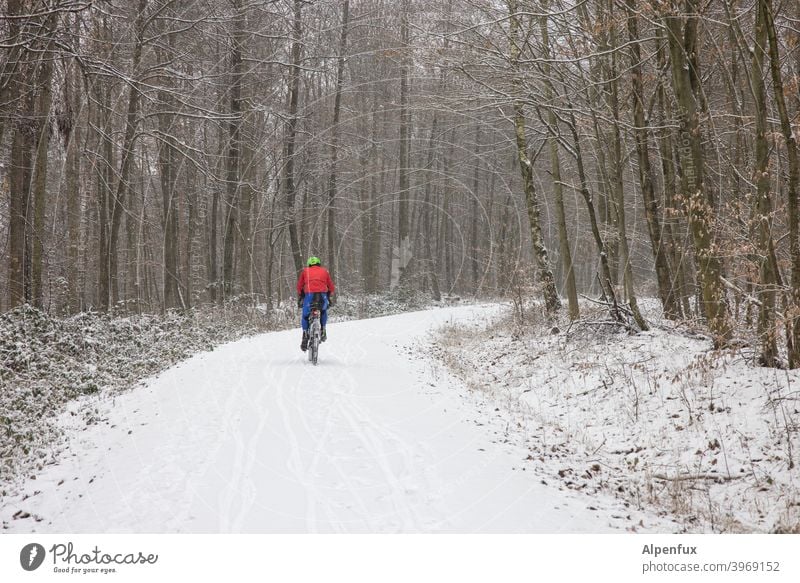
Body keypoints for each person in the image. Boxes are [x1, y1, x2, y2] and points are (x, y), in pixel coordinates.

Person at [296, 256, 335, 352]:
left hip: (309, 296)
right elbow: (331, 287)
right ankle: (323, 329)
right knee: (324, 311)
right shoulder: (325, 271)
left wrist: (301, 296)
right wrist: (328, 296)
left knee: (305, 316)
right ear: (319, 264)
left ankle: (305, 334)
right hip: (322, 296)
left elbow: (299, 287)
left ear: (309, 264)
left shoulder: (305, 271)